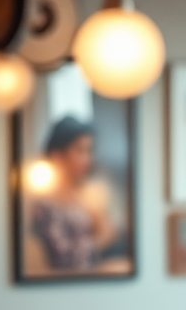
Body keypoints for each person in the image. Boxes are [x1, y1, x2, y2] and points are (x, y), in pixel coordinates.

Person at [26, 116, 119, 273]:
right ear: (58, 155)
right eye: (80, 151)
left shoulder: (88, 196)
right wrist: (102, 238)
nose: (88, 159)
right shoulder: (46, 204)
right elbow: (62, 260)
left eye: (89, 151)